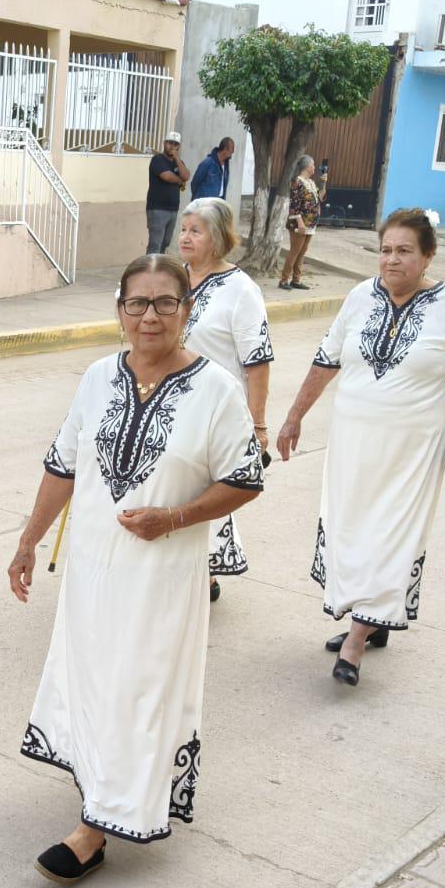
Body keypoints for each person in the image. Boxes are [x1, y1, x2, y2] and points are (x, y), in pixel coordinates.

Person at [10, 254, 263, 882]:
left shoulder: (216, 390)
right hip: (93, 570)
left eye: (165, 303)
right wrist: (28, 541)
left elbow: (245, 480)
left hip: (162, 576)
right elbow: (63, 465)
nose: (149, 316)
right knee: (97, 678)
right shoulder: (98, 377)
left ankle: (96, 828)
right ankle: (101, 786)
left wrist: (174, 518)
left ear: (188, 310)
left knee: (140, 684)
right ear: (119, 311)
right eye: (136, 304)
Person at [276, 208, 445, 686]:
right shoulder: (360, 297)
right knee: (352, 528)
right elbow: (326, 360)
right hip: (353, 441)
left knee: (391, 533)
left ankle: (357, 639)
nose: (391, 260)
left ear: (427, 257)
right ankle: (371, 617)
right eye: (385, 250)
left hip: (414, 446)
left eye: (404, 251)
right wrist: (295, 416)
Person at [177, 197, 272, 602]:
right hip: (170, 404)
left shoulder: (241, 290)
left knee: (205, 490)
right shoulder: (172, 278)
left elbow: (258, 360)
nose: (184, 237)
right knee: (172, 486)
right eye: (183, 229)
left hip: (216, 410)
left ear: (217, 238)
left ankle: (204, 573)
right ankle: (186, 569)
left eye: (195, 231)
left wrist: (258, 424)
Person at [279, 155, 326, 290]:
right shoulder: (297, 182)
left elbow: (320, 197)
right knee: (295, 251)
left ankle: (296, 280)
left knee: (302, 252)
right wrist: (300, 222)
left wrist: (324, 183)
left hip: (310, 222)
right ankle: (283, 280)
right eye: (313, 165)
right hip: (299, 223)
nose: (315, 168)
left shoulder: (310, 182)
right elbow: (294, 205)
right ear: (307, 166)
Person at [146, 131, 190, 254]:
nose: (172, 146)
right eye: (170, 143)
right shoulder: (157, 159)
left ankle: (159, 269)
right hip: (157, 209)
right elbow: (167, 176)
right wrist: (180, 180)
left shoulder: (178, 162)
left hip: (173, 209)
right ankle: (149, 271)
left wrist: (176, 158)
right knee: (155, 244)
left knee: (165, 243)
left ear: (179, 146)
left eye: (175, 144)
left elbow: (186, 175)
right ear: (164, 143)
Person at [190, 136, 234, 202]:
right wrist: (198, 199)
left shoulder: (226, 165)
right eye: (232, 149)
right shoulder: (208, 162)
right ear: (225, 149)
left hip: (218, 203)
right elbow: (195, 183)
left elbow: (224, 186)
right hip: (204, 204)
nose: (233, 151)